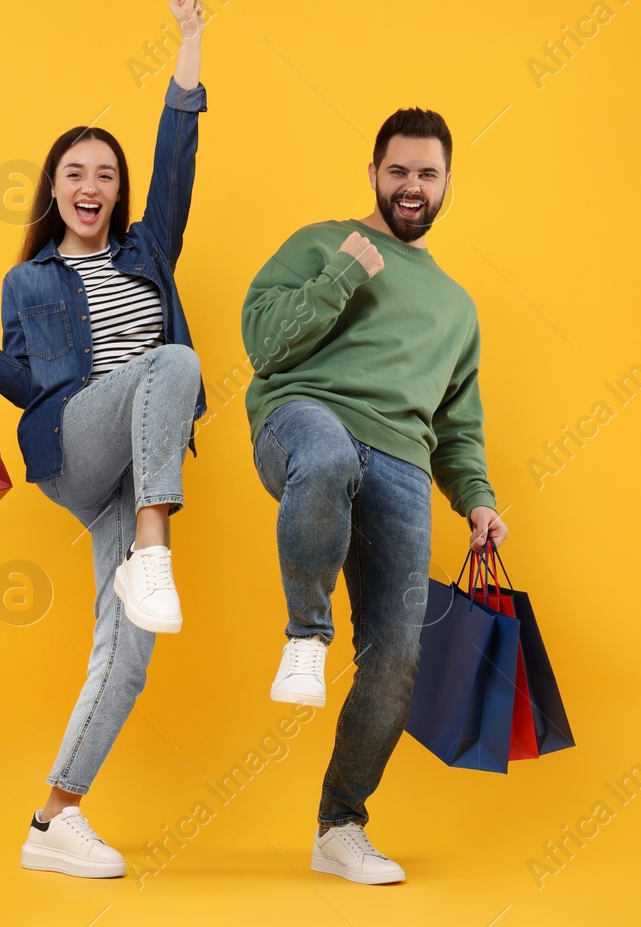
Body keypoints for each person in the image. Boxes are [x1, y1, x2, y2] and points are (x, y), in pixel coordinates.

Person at [0, 0, 208, 880]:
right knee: (177, 366)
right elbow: (28, 387)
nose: (91, 186)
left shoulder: (148, 251)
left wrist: (191, 44)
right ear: (53, 188)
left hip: (137, 460)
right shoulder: (30, 279)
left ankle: (54, 817)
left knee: (128, 653)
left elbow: (178, 154)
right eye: (75, 173)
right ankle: (152, 545)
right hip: (77, 444)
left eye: (106, 175)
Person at [240, 107, 507, 884]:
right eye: (398, 171)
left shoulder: (457, 308)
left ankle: (339, 825)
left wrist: (478, 497)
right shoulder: (322, 243)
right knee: (323, 456)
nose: (412, 186)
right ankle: (305, 635)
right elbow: (263, 343)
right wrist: (345, 271)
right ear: (373, 172)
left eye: (427, 173)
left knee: (398, 654)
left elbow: (458, 425)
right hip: (301, 418)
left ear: (448, 182)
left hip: (400, 461)